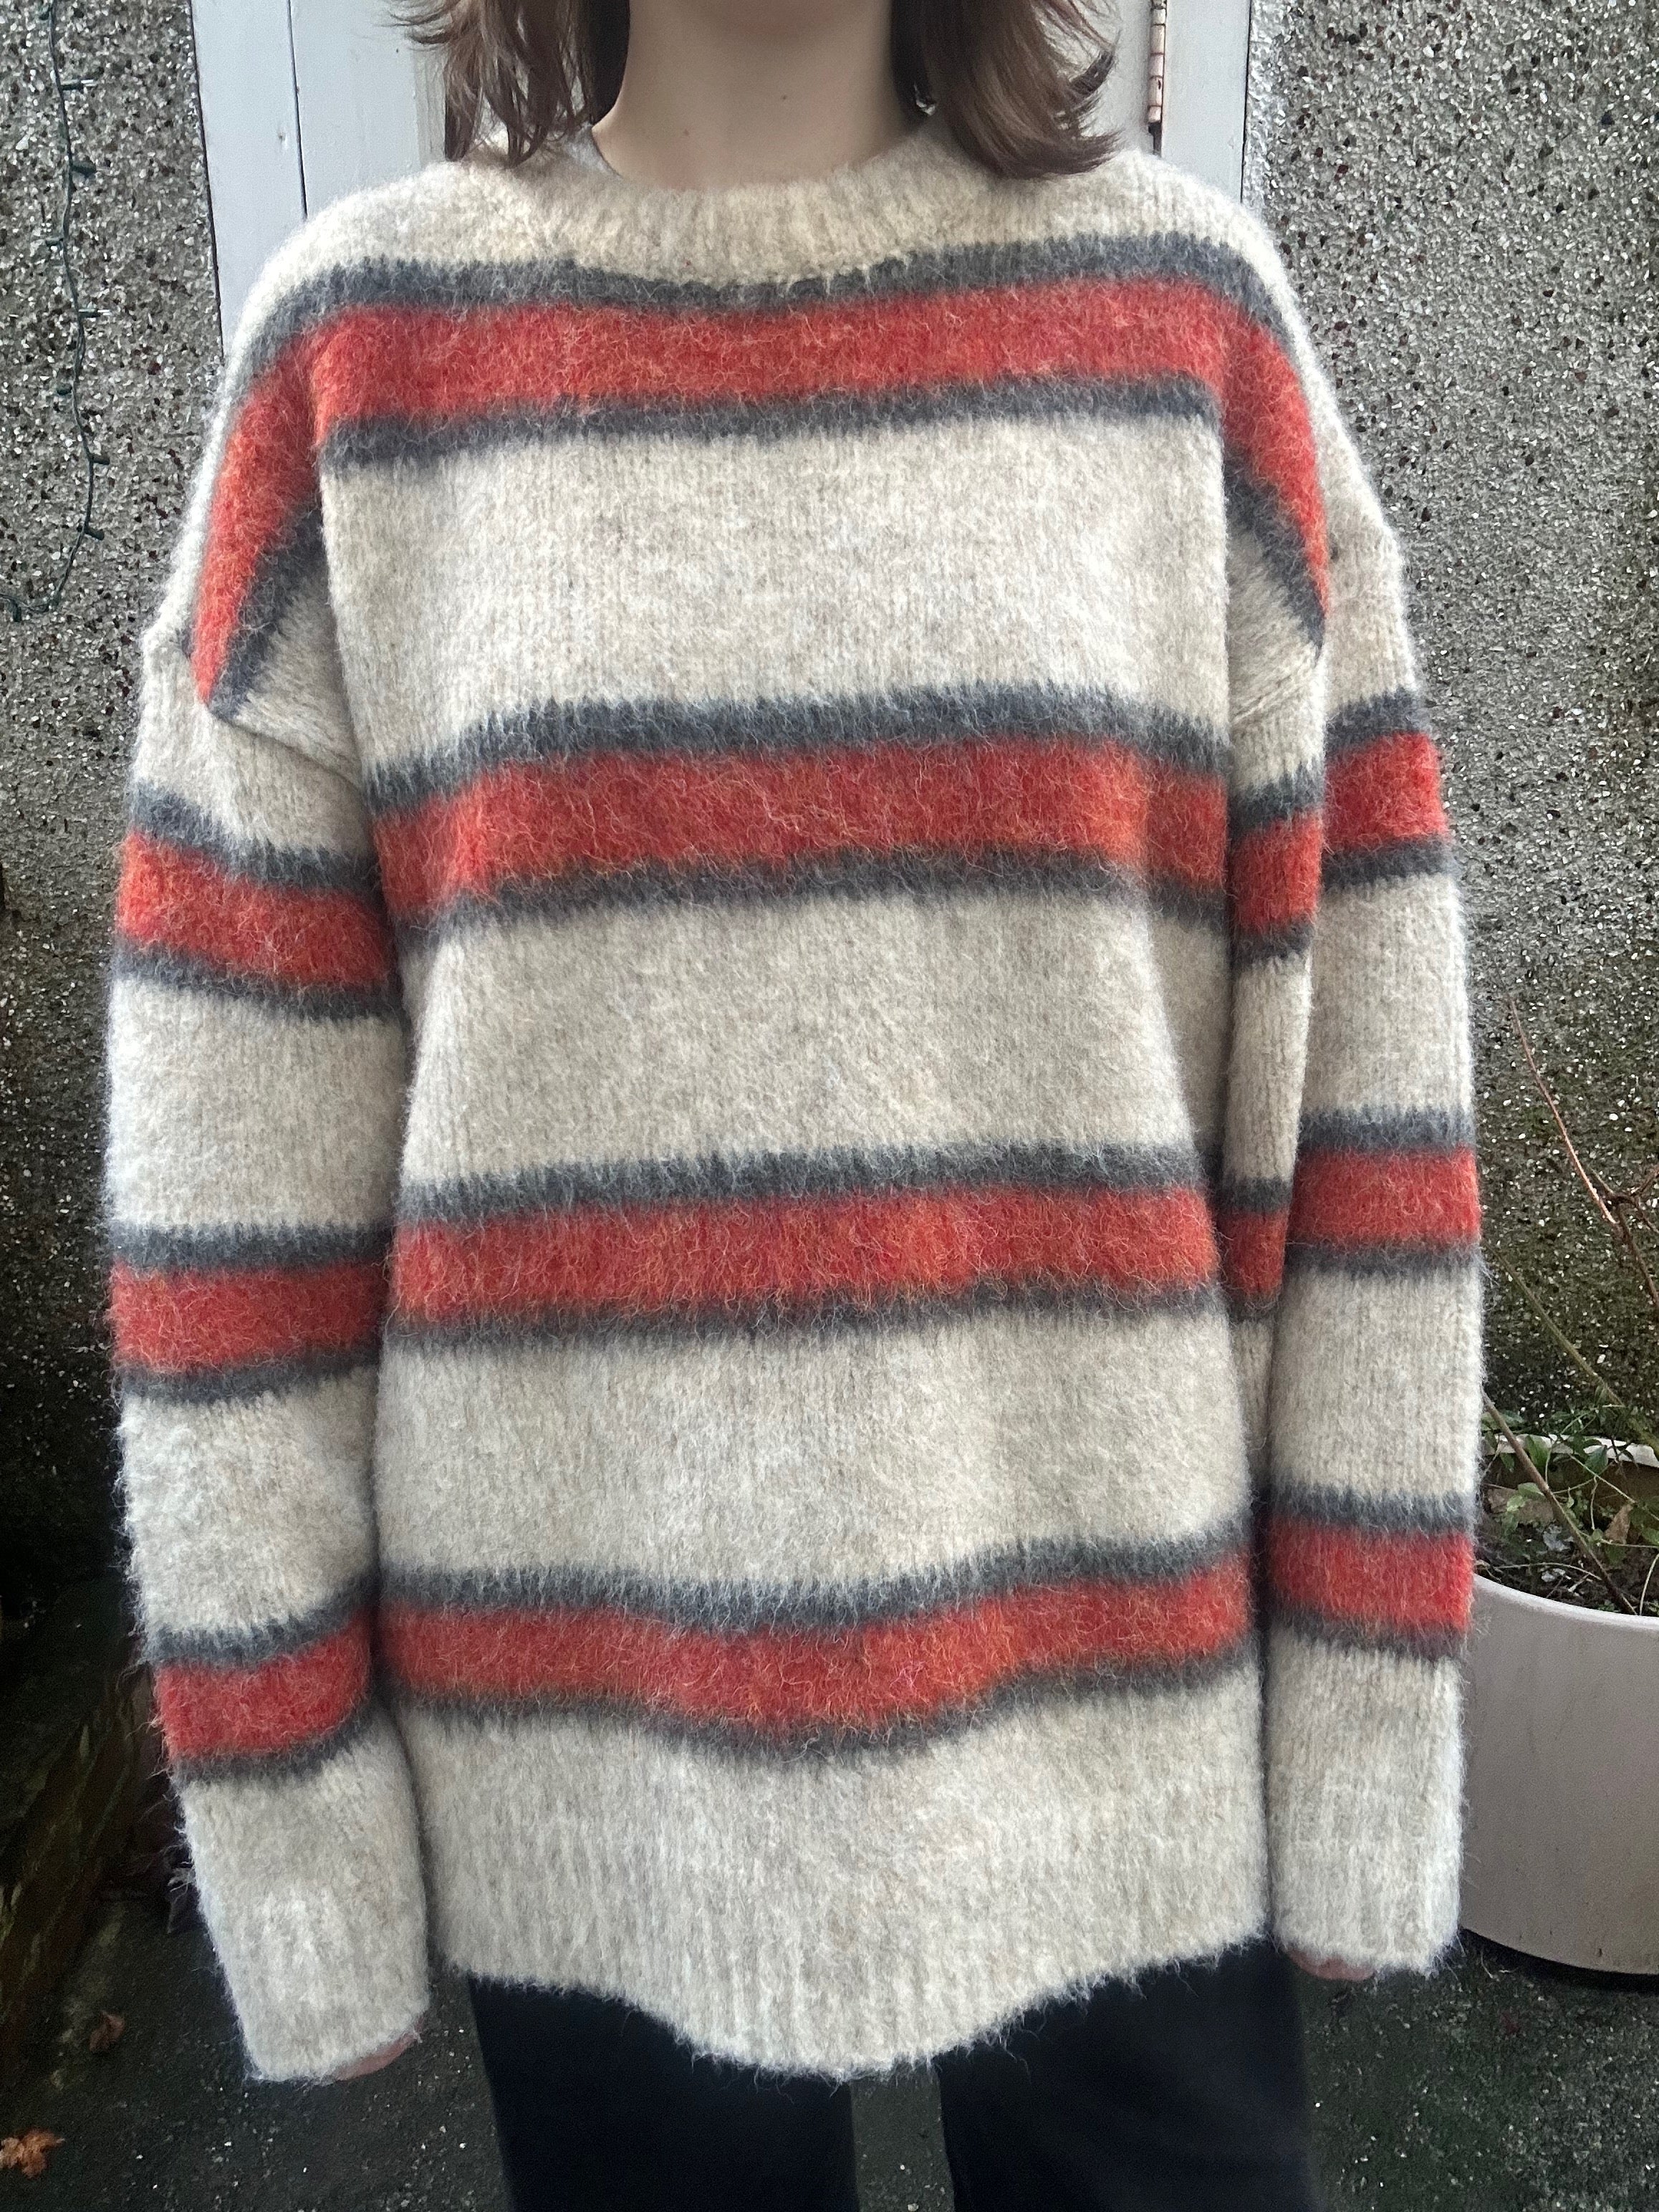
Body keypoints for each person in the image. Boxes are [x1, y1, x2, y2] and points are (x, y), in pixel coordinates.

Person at [100, 0, 1483, 2205]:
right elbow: (228, 1221)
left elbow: (1365, 1126)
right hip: (592, 1752)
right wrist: (298, 1834)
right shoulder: (357, 367)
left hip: (1123, 1705)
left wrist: (1359, 1730)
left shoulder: (1183, 337)